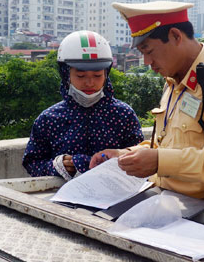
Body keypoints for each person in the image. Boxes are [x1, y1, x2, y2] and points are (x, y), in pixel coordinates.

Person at [89, 1, 204, 213]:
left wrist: (160, 161)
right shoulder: (174, 81)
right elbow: (168, 143)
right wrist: (125, 154)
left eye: (149, 50)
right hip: (163, 203)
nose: (147, 61)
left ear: (176, 36)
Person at [23, 30, 143, 180]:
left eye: (97, 76)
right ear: (66, 75)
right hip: (60, 199)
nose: (90, 82)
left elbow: (140, 158)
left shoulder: (123, 114)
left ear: (106, 74)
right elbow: (32, 162)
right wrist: (58, 165)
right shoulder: (49, 118)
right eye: (80, 76)